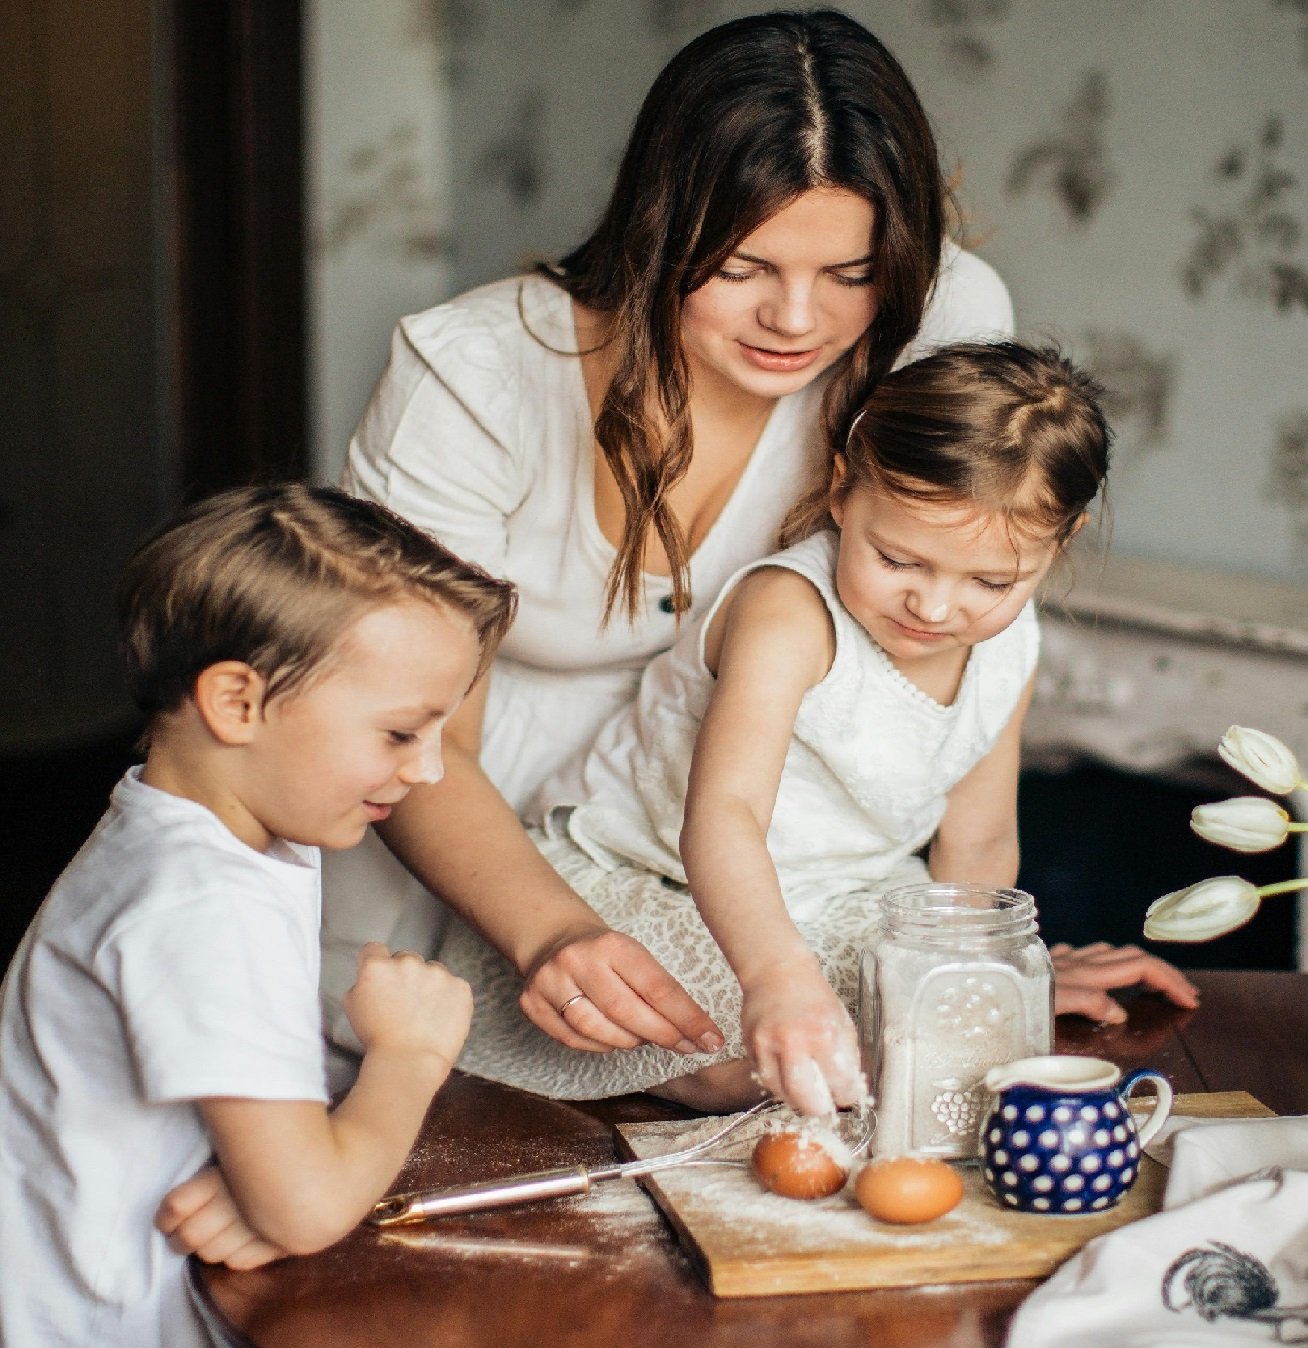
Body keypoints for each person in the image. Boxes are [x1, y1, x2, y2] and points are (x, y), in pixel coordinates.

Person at [320, 7, 1026, 1062]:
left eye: (848, 273)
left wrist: (969, 957)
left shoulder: (936, 316)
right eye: (741, 268)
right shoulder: (472, 377)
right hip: (450, 847)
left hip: (742, 889)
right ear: (659, 228)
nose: (797, 320)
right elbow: (406, 732)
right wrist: (553, 930)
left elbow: (962, 631)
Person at [438, 342, 1200, 1115]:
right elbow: (726, 816)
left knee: (947, 1037)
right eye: (897, 559)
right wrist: (778, 980)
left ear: (1062, 541)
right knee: (752, 1054)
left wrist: (983, 979)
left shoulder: (1011, 645)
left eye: (989, 580)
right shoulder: (789, 614)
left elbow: (978, 841)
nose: (934, 607)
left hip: (847, 897)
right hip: (667, 882)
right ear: (842, 491)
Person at [0, 484, 515, 1347]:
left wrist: (262, 1182)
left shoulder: (194, 832)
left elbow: (269, 1166)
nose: (429, 771)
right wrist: (408, 1055)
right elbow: (307, 1210)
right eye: (400, 734)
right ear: (237, 703)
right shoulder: (202, 908)